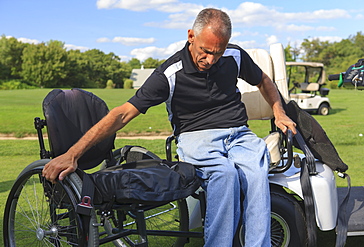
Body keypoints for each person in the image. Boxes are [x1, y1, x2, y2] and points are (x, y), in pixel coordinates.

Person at [43, 8, 296, 247]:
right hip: (197, 138)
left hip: (239, 134)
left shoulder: (235, 55)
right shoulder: (169, 74)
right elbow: (122, 114)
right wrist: (72, 154)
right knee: (225, 176)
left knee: (255, 174)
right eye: (205, 51)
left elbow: (263, 79)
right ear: (190, 36)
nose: (210, 60)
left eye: (217, 53)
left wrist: (279, 112)